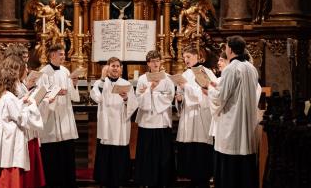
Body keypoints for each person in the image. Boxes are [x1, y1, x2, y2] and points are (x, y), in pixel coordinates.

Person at [208, 36, 260, 188]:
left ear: (230, 49)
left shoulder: (231, 68)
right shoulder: (251, 68)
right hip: (247, 124)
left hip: (232, 124)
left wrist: (210, 90)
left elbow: (221, 97)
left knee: (230, 169)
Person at [0, 66, 44, 188]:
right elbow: (20, 118)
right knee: (12, 176)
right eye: (16, 80)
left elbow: (12, 112)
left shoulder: (4, 95)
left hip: (7, 139)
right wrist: (33, 106)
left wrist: (22, 102)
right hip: (11, 141)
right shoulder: (9, 97)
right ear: (11, 81)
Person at [36, 43, 79, 188]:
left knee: (66, 155)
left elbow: (73, 96)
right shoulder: (44, 73)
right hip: (51, 119)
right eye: (61, 54)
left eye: (64, 54)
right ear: (52, 55)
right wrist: (54, 93)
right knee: (52, 158)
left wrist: (74, 84)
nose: (64, 57)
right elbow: (41, 95)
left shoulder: (66, 71)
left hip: (65, 116)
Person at [174, 45, 217, 188]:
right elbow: (181, 94)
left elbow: (208, 92)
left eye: (188, 57)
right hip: (188, 115)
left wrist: (187, 87)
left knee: (201, 148)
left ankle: (203, 179)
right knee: (189, 148)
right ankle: (192, 178)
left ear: (197, 56)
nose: (185, 60)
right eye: (184, 57)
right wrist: (179, 98)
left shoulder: (206, 72)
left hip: (201, 115)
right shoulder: (185, 74)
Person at [91, 57, 138, 188]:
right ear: (108, 68)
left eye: (118, 66)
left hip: (120, 123)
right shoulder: (100, 83)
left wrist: (126, 98)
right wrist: (101, 78)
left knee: (120, 150)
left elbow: (134, 104)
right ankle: (104, 180)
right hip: (106, 123)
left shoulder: (126, 84)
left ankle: (120, 179)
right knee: (106, 150)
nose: (115, 68)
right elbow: (96, 97)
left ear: (121, 69)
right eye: (113, 66)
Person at [134, 50, 175, 187]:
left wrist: (153, 94)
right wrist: (151, 90)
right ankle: (146, 180)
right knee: (147, 155)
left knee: (163, 155)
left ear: (160, 61)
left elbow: (170, 97)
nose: (155, 63)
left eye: (157, 60)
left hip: (162, 121)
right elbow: (138, 99)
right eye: (152, 61)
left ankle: (163, 181)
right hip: (147, 121)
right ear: (148, 63)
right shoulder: (142, 79)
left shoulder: (168, 78)